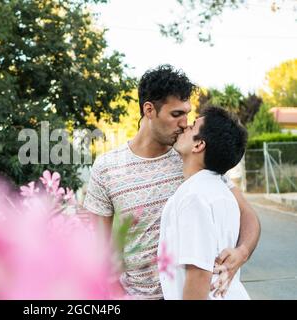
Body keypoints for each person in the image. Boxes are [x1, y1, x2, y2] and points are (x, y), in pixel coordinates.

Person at [83, 64, 260, 299]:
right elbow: (98, 248)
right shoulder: (107, 168)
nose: (185, 123)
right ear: (149, 110)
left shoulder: (195, 161)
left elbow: (248, 216)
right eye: (176, 114)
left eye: (187, 113)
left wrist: (243, 251)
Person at [158, 106, 250, 300]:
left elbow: (199, 273)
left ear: (199, 145)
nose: (184, 127)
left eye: (191, 127)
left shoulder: (194, 196)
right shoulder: (222, 191)